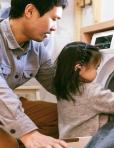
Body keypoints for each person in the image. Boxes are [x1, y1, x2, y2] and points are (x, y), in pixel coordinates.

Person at [0, 0, 69, 147]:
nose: (54, 28)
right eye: (54, 19)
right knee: (9, 144)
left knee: (64, 117)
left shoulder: (37, 48)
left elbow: (57, 84)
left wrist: (99, 98)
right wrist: (28, 133)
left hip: (7, 105)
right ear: (29, 11)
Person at [53, 42, 114, 138]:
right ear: (79, 68)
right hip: (89, 144)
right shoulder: (91, 91)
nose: (96, 72)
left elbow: (107, 100)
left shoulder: (64, 90)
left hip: (68, 142)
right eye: (96, 67)